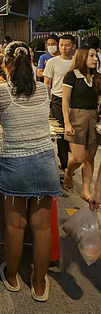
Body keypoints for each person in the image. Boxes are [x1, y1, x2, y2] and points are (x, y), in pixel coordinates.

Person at [0, 40, 60, 302]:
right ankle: (38, 284)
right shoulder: (43, 90)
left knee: (15, 225)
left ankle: (12, 277)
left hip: (15, 162)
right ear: (32, 61)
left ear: (6, 63)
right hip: (45, 161)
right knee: (42, 227)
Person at [61, 46, 101, 201]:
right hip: (76, 116)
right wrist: (67, 122)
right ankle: (68, 172)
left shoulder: (97, 77)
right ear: (82, 57)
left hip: (93, 117)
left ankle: (85, 190)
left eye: (96, 56)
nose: (95, 59)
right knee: (78, 158)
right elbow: (65, 99)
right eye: (91, 56)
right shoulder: (72, 76)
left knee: (90, 157)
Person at [43, 34, 75, 173]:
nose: (63, 48)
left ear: (73, 46)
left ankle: (72, 160)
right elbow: (47, 84)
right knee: (61, 133)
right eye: (61, 45)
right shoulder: (52, 62)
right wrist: (47, 103)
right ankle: (64, 164)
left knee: (74, 132)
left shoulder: (76, 62)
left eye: (67, 45)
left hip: (75, 101)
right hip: (57, 100)